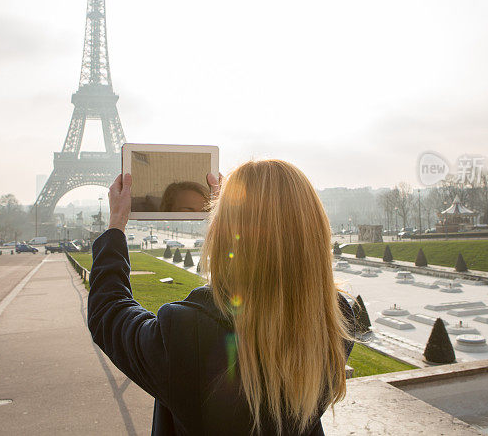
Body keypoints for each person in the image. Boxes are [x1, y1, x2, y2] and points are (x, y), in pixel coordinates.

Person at [88, 160, 354, 435]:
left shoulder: (188, 334)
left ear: (224, 233)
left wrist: (115, 227)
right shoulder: (338, 320)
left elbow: (109, 312)